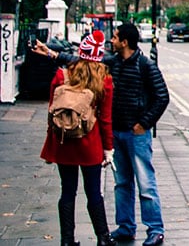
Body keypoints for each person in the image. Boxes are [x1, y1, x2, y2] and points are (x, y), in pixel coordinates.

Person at [37, 23, 170, 246]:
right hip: (114, 133)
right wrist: (52, 53)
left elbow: (162, 97)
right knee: (121, 184)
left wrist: (144, 123)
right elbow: (82, 60)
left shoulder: (146, 66)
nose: (112, 40)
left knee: (145, 183)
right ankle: (123, 228)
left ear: (125, 42)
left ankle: (155, 229)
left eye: (116, 37)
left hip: (136, 133)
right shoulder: (111, 65)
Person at [40, 30, 117, 246]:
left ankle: (67, 241)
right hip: (89, 144)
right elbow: (105, 119)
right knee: (94, 192)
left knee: (67, 191)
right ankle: (103, 238)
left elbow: (51, 110)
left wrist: (50, 144)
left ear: (80, 53)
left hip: (63, 142)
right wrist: (108, 149)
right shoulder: (105, 80)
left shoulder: (62, 75)